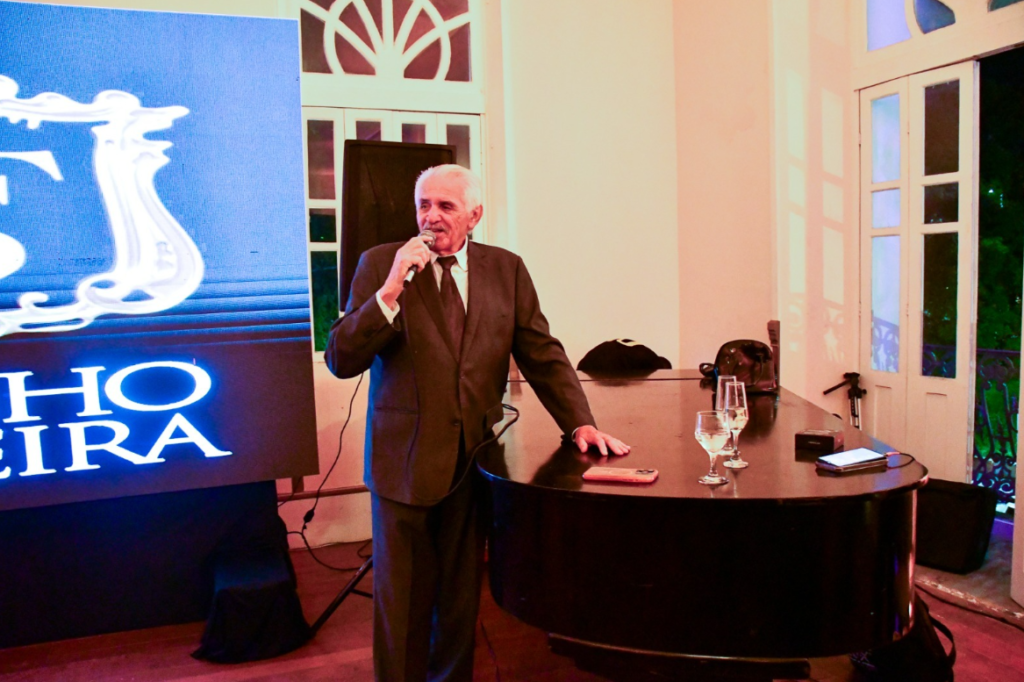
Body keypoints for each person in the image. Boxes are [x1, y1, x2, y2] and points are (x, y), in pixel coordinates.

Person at [325, 164, 629, 682]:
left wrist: (580, 422)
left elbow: (541, 352)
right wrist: (391, 289)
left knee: (460, 601)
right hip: (404, 465)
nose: (431, 216)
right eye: (423, 205)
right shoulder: (381, 264)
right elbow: (340, 358)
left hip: (474, 463)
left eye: (445, 206)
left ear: (474, 215)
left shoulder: (506, 269)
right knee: (401, 606)